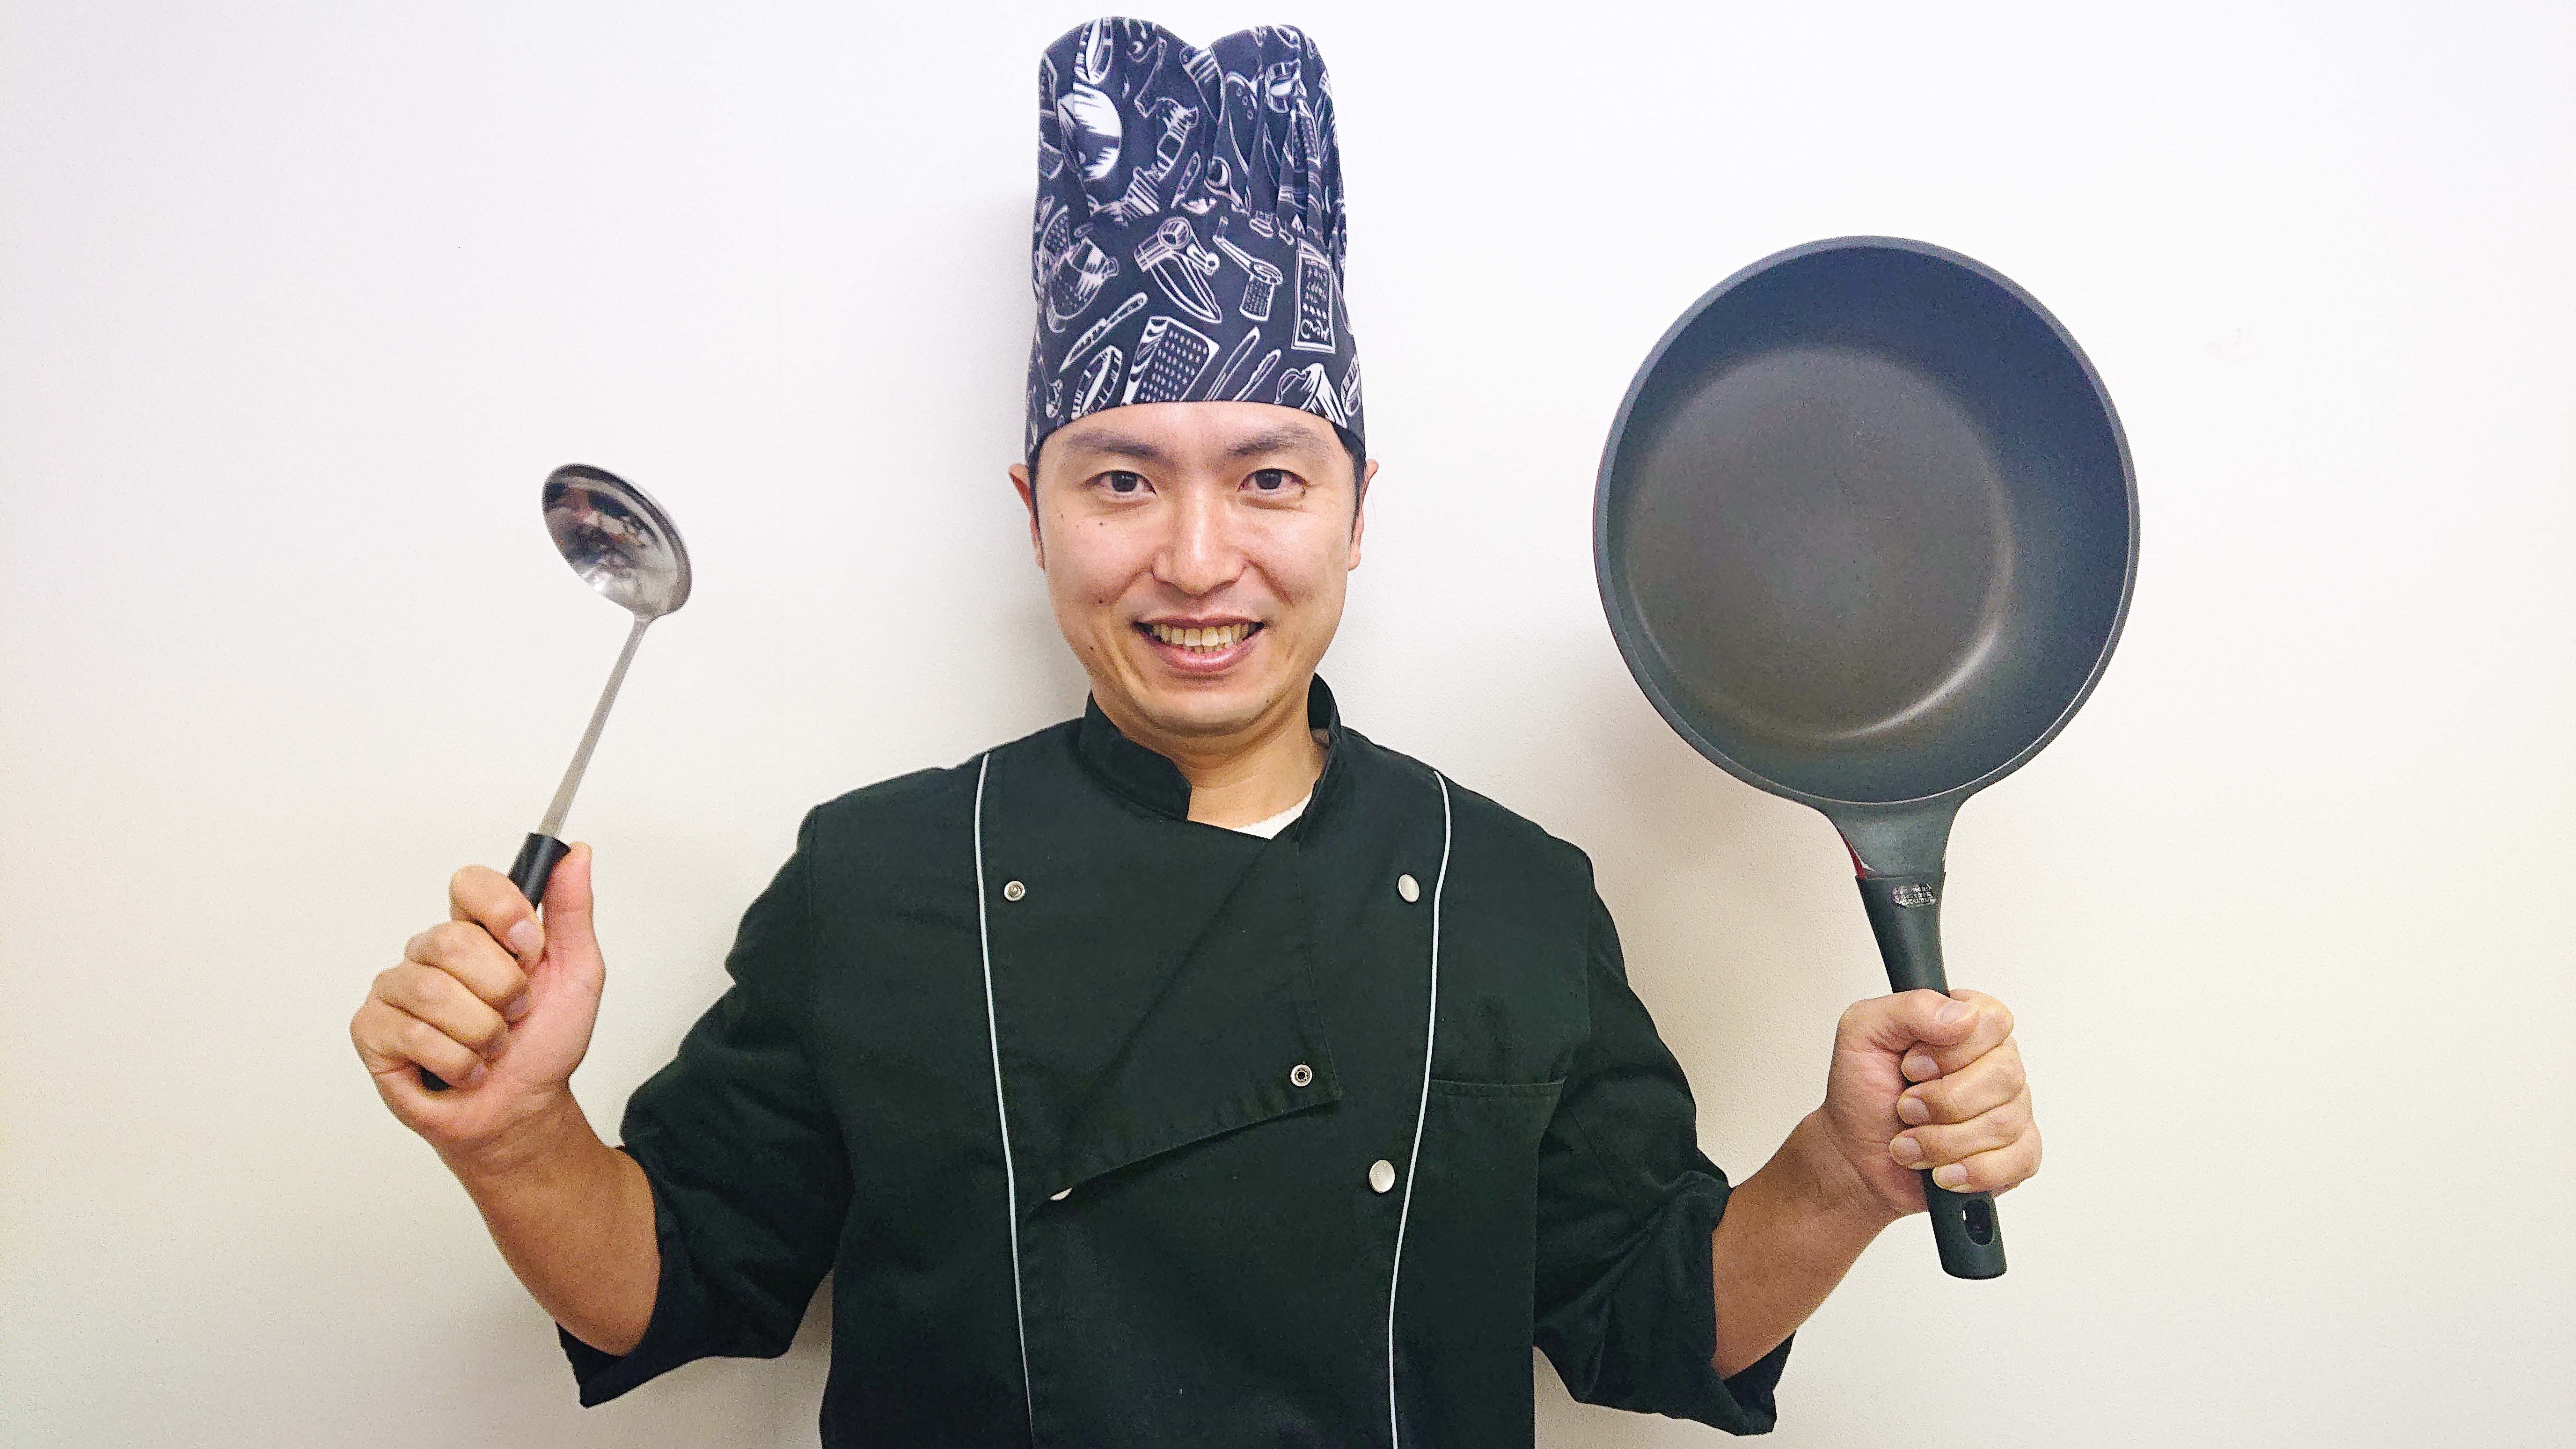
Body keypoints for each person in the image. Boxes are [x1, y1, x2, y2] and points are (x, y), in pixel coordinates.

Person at [349, 18, 2040, 1447]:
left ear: (1358, 512)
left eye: (1270, 477)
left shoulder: (1513, 893)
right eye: (1122, 481)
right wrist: (518, 1139)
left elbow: (1648, 1320)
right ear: (1033, 511)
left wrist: (1840, 1173)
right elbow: (672, 1282)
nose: (1197, 558)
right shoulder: (876, 877)